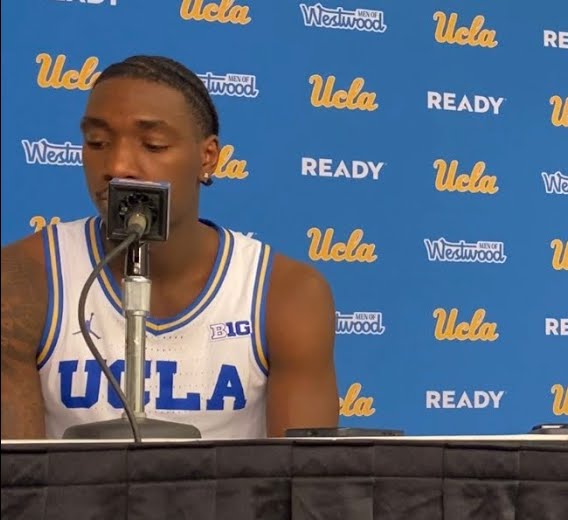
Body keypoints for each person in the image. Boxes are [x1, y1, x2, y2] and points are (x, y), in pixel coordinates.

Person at [1, 55, 338, 440]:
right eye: (97, 142)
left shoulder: (287, 293)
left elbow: (307, 483)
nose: (118, 165)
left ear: (207, 157)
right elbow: (19, 485)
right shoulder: (21, 279)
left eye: (153, 145)